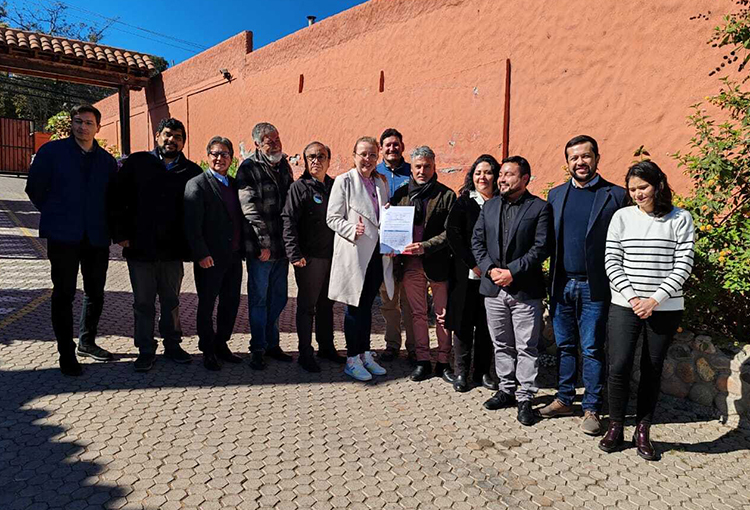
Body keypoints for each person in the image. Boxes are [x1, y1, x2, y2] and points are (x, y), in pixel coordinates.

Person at [599, 160, 694, 461]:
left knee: (652, 369)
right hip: (624, 304)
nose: (638, 194)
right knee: (618, 366)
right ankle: (616, 426)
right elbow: (611, 260)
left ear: (658, 186)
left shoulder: (680, 218)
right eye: (632, 189)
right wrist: (633, 298)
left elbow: (684, 264)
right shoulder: (622, 217)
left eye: (643, 187)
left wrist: (654, 300)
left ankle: (643, 430)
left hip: (665, 307)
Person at [538, 135, 626, 435]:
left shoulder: (615, 195)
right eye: (574, 158)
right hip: (561, 283)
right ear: (567, 163)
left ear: (597, 158)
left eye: (586, 156)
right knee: (565, 345)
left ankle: (592, 408)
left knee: (591, 348)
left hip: (595, 286)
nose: (580, 162)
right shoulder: (556, 195)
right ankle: (564, 399)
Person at [25, 104, 117, 376]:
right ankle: (66, 352)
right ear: (71, 124)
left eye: (88, 123)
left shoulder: (107, 161)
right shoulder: (52, 152)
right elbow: (34, 188)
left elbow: (112, 198)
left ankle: (87, 342)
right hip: (63, 235)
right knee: (64, 293)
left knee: (95, 292)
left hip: (96, 236)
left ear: (98, 127)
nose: (82, 127)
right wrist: (55, 212)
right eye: (78, 121)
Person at [112, 118, 201, 372]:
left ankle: (172, 345)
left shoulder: (192, 172)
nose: (171, 140)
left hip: (173, 251)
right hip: (140, 248)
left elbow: (199, 212)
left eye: (177, 137)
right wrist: (120, 234)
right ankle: (145, 350)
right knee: (143, 303)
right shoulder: (138, 163)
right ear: (157, 136)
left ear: (183, 142)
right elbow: (117, 198)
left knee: (171, 301)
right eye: (167, 134)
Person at [472, 156, 552, 426]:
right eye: (501, 174)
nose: (502, 179)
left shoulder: (539, 208)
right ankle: (506, 389)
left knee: (526, 346)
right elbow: (477, 241)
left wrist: (512, 272)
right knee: (501, 344)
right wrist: (490, 269)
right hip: (493, 288)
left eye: (509, 174)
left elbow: (541, 247)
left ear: (525, 178)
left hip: (524, 290)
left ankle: (525, 397)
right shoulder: (490, 206)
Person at [327, 136, 394, 381]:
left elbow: (381, 217)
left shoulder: (380, 182)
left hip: (376, 254)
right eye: (363, 154)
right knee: (354, 307)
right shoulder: (344, 181)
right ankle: (352, 359)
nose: (368, 159)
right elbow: (332, 217)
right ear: (354, 155)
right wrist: (349, 228)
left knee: (367, 307)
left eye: (372, 155)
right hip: (355, 253)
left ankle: (365, 354)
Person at [390, 146, 456, 382]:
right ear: (412, 168)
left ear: (434, 167)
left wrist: (426, 246)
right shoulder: (401, 195)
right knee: (417, 315)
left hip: (437, 263)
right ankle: (422, 360)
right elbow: (392, 227)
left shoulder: (446, 195)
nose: (422, 171)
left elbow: (451, 233)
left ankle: (443, 362)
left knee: (442, 315)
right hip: (410, 264)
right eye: (418, 166)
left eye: (427, 166)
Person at [282, 141, 346, 372]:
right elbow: (288, 221)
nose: (316, 161)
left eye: (321, 156)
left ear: (328, 161)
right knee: (307, 307)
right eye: (311, 157)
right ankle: (305, 353)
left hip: (333, 257)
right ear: (305, 161)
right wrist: (294, 254)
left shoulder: (335, 186)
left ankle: (326, 347)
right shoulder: (298, 188)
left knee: (327, 305)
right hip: (309, 259)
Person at [236, 122, 294, 370]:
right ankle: (258, 348)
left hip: (283, 248)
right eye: (270, 141)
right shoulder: (248, 168)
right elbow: (249, 209)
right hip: (262, 249)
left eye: (277, 138)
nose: (276, 144)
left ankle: (273, 344)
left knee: (278, 298)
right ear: (258, 145)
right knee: (259, 300)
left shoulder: (284, 165)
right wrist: (263, 243)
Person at [184, 137, 245, 371]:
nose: (220, 158)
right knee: (207, 304)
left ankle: (221, 344)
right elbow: (192, 225)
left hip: (233, 256)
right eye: (215, 153)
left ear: (231, 158)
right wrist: (201, 254)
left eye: (224, 154)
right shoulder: (197, 184)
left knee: (230, 303)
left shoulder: (235, 184)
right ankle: (207, 349)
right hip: (209, 258)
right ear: (208, 156)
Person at [443, 154, 500, 392]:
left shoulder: (501, 202)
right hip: (465, 274)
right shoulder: (464, 202)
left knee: (486, 325)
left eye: (487, 172)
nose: (482, 177)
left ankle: (482, 372)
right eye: (478, 173)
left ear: (495, 176)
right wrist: (473, 264)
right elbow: (453, 235)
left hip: (493, 275)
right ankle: (461, 372)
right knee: (463, 324)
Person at [375, 128, 415, 362]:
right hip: (385, 247)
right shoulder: (374, 173)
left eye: (396, 144)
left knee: (410, 301)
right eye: (388, 145)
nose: (392, 148)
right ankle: (392, 344)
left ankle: (413, 346)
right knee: (389, 300)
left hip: (409, 247)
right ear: (381, 148)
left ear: (402, 146)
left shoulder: (413, 172)